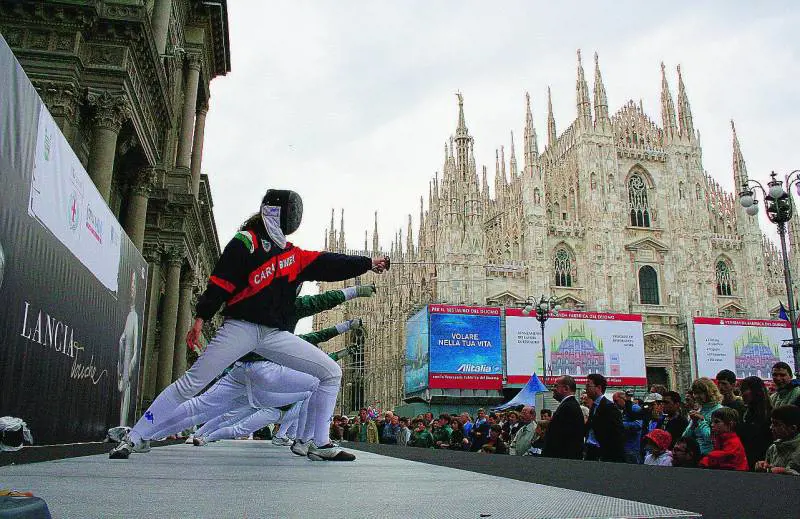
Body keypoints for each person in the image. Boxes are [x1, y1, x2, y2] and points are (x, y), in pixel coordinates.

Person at [109, 190, 389, 461]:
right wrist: (201, 317)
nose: (293, 220)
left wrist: (368, 263)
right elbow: (221, 280)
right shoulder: (247, 241)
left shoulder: (292, 255)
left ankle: (320, 443)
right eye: (290, 213)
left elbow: (329, 263)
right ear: (274, 214)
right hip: (240, 329)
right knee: (191, 383)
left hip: (273, 335)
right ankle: (136, 436)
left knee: (330, 372)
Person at [584, 374, 625, 462]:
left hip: (602, 454)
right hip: (591, 451)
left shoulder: (609, 407)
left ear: (598, 387)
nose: (585, 389)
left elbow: (617, 434)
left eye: (588, 386)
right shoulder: (594, 406)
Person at [117, 271, 140, 427]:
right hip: (121, 367)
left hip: (126, 371)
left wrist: (128, 371)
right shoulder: (126, 315)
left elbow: (136, 348)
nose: (132, 288)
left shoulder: (134, 316)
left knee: (124, 405)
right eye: (130, 284)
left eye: (134, 285)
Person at [542, 375, 584, 460]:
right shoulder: (569, 405)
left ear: (566, 388)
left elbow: (562, 437)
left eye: (555, 386)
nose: (552, 389)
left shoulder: (568, 407)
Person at [737, 376, 773, 470]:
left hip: (761, 463)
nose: (741, 394)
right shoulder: (745, 413)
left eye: (744, 390)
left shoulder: (769, 415)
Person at [682, 377, 723, 456]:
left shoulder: (719, 410)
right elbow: (685, 437)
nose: (696, 396)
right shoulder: (699, 411)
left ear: (709, 392)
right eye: (695, 393)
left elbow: (711, 438)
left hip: (711, 455)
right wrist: (693, 424)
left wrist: (701, 421)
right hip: (697, 455)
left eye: (699, 393)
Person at [755, 405, 800, 475]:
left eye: (776, 424)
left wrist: (785, 472)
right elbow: (767, 474)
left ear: (792, 428)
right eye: (771, 423)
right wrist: (763, 466)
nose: (771, 427)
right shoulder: (773, 448)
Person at [613, 391, 642, 464]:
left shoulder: (634, 408)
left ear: (623, 398)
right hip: (625, 446)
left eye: (616, 401)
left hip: (633, 447)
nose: (615, 404)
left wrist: (620, 424)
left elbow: (638, 425)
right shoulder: (623, 410)